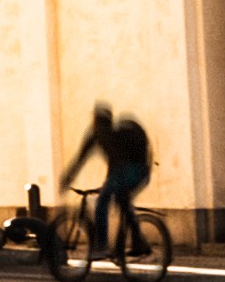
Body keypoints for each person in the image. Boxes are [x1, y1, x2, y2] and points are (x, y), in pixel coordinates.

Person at [61, 101, 155, 269]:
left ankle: (101, 246)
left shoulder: (108, 135)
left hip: (132, 172)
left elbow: (114, 163)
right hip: (137, 172)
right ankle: (139, 243)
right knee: (121, 201)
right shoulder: (106, 134)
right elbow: (85, 158)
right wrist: (69, 177)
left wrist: (68, 178)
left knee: (103, 201)